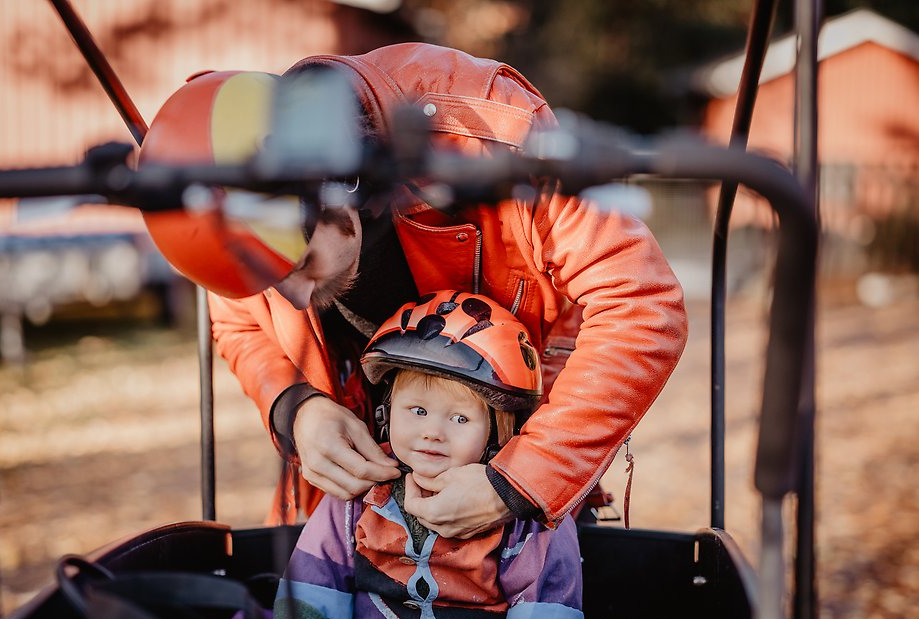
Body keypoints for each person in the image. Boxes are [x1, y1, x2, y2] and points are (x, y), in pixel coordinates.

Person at [138, 43, 688, 537]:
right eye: (270, 287)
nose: (299, 300)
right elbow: (237, 320)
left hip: (516, 478)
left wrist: (520, 481)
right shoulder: (232, 198)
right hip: (350, 512)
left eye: (303, 265)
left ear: (339, 187)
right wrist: (296, 407)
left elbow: (641, 304)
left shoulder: (488, 129)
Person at [272, 291, 583, 619]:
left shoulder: (522, 514)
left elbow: (542, 614)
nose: (433, 432)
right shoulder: (362, 490)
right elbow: (315, 575)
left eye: (460, 418)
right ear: (386, 414)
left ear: (500, 431)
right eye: (417, 411)